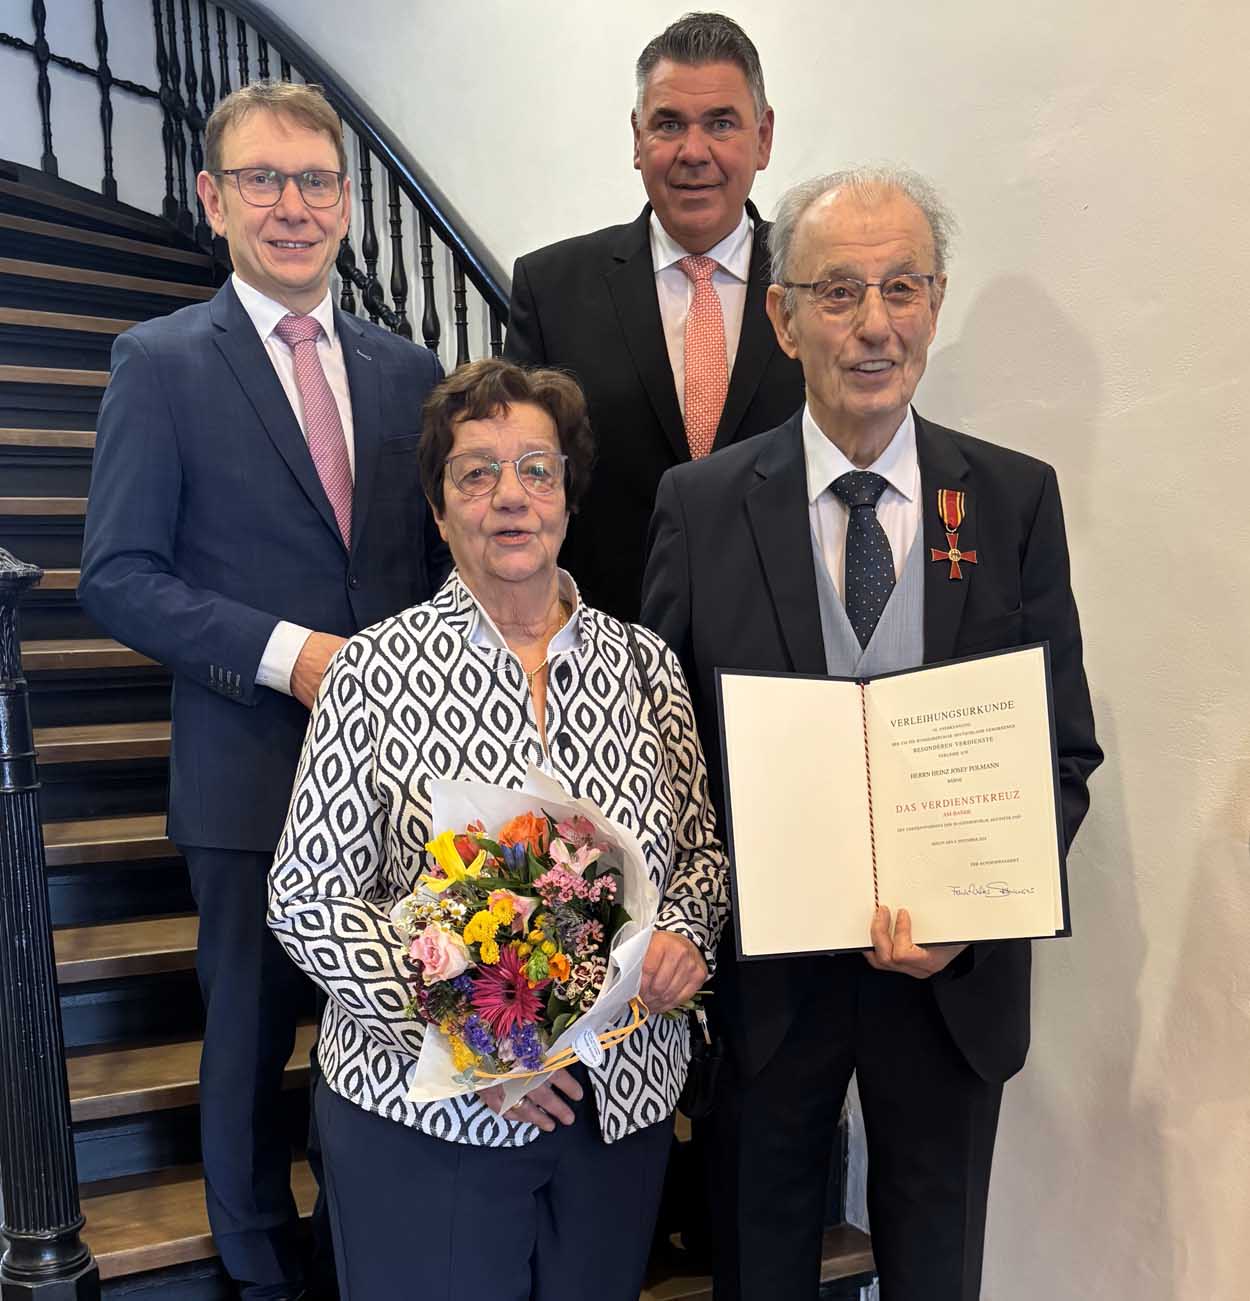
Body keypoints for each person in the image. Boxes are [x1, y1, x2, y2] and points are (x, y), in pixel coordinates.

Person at [641, 167, 1103, 1300]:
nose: (873, 324)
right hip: (761, 981)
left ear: (935, 302)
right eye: (837, 291)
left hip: (947, 982)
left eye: (902, 286)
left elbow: (1061, 752)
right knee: (757, 1269)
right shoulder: (698, 506)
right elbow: (660, 753)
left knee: (936, 1274)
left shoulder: (1010, 500)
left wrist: (973, 909)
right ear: (781, 314)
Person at [78, 81, 447, 1301]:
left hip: (401, 774)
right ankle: (253, 1262)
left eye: (314, 182)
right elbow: (119, 577)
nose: (291, 206)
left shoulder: (408, 372)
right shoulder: (162, 360)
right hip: (247, 771)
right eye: (262, 181)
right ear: (213, 197)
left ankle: (365, 1240)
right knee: (247, 1036)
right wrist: (291, 651)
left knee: (392, 1009)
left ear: (345, 203)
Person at [268, 358, 729, 1301]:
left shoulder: (647, 667)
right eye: (475, 473)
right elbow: (304, 895)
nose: (509, 496)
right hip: (428, 1118)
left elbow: (703, 855)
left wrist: (687, 928)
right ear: (440, 512)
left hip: (616, 1104)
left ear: (566, 496)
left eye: (535, 469)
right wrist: (470, 1048)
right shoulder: (375, 670)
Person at [504, 11, 804, 622]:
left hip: (786, 657)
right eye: (669, 124)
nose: (694, 152)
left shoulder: (821, 285)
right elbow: (525, 478)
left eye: (722, 123)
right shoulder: (552, 287)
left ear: (764, 137)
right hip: (604, 659)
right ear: (637, 139)